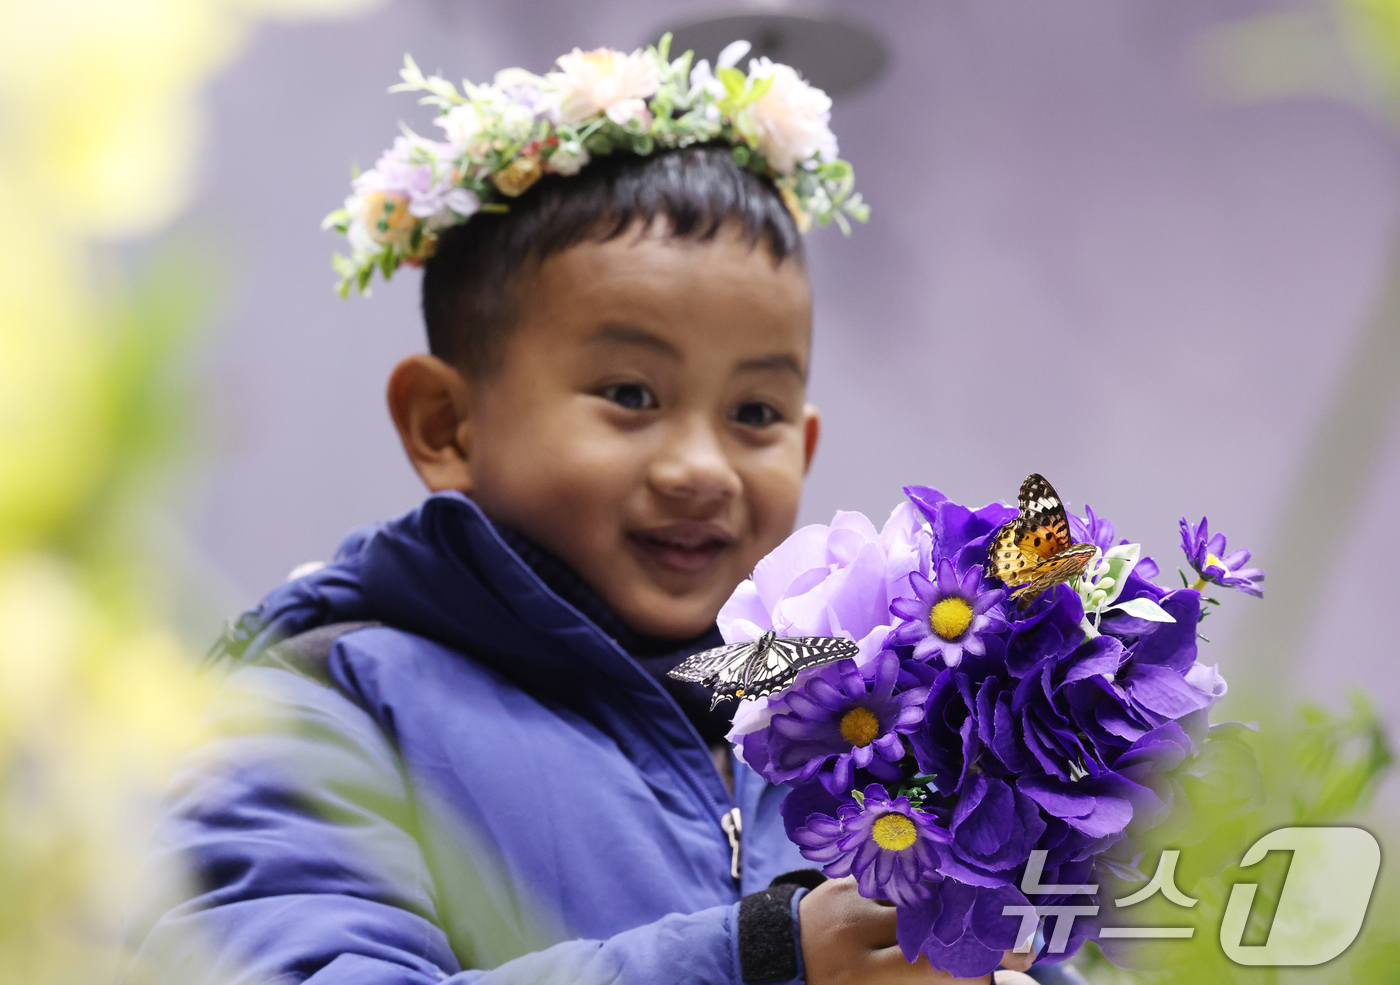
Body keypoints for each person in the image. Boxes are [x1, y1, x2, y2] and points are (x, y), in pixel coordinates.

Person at [121, 42, 1054, 985]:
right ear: (445, 421)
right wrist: (761, 960)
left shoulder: (875, 714)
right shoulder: (324, 706)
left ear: (805, 447)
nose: (701, 467)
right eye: (629, 393)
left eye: (755, 414)